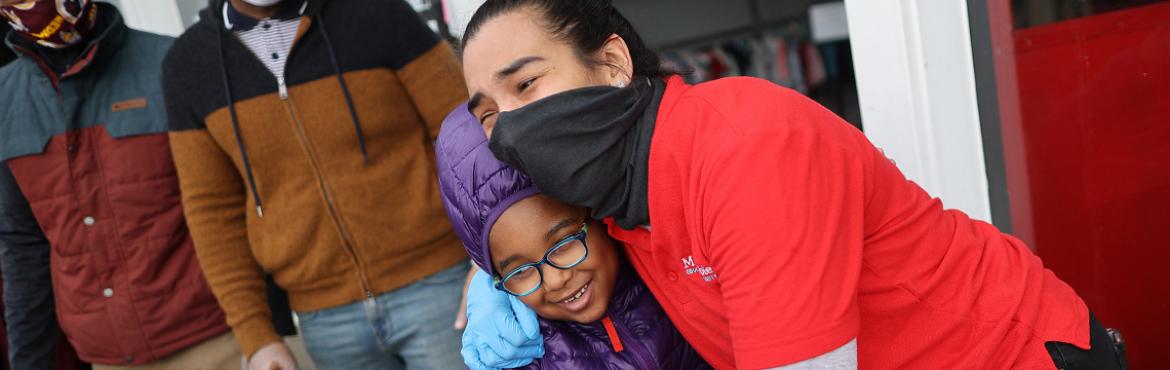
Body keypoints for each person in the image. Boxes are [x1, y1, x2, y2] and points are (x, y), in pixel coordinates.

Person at [456, 0, 1127, 369]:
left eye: (526, 82)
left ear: (610, 64)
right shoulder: (615, 189)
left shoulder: (745, 150)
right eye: (486, 110)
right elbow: (485, 188)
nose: (509, 125)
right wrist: (487, 274)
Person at [162, 0, 471, 369]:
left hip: (440, 288)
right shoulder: (188, 64)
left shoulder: (378, 13)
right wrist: (256, 336)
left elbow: (465, 130)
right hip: (326, 322)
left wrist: (489, 261)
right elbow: (212, 211)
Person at [0, 1, 240, 369]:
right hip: (109, 358)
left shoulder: (172, 62)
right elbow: (23, 248)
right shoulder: (6, 102)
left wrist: (267, 331)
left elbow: (237, 203)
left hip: (218, 341)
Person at [436, 105, 711, 369]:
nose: (556, 280)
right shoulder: (515, 354)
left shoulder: (667, 259)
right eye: (519, 271)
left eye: (564, 243)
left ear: (595, 209)